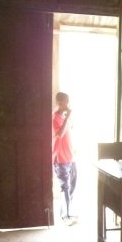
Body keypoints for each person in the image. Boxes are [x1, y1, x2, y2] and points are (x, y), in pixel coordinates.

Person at [52, 91, 78, 226]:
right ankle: (65, 216)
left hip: (70, 156)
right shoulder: (55, 117)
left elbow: (71, 129)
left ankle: (69, 211)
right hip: (60, 157)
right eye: (65, 102)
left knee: (73, 185)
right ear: (59, 103)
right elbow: (60, 134)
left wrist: (68, 117)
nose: (67, 104)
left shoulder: (64, 117)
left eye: (68, 101)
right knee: (65, 187)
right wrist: (67, 118)